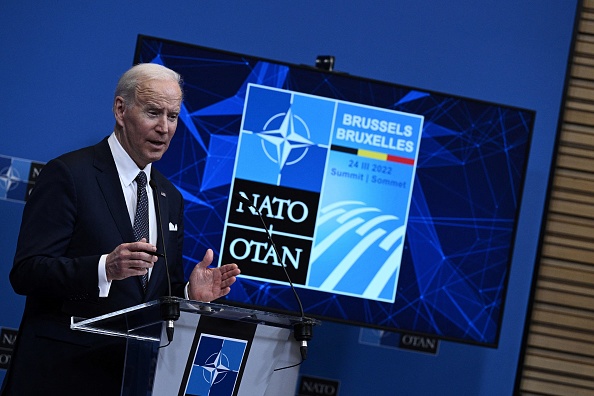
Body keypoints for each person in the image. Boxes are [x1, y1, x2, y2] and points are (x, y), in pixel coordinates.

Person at [0, 63, 240, 395]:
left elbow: (155, 295)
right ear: (121, 109)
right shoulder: (70, 174)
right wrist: (104, 268)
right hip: (58, 377)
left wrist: (188, 296)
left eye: (173, 117)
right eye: (154, 112)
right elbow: (26, 272)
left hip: (129, 380)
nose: (164, 128)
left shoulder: (170, 197)